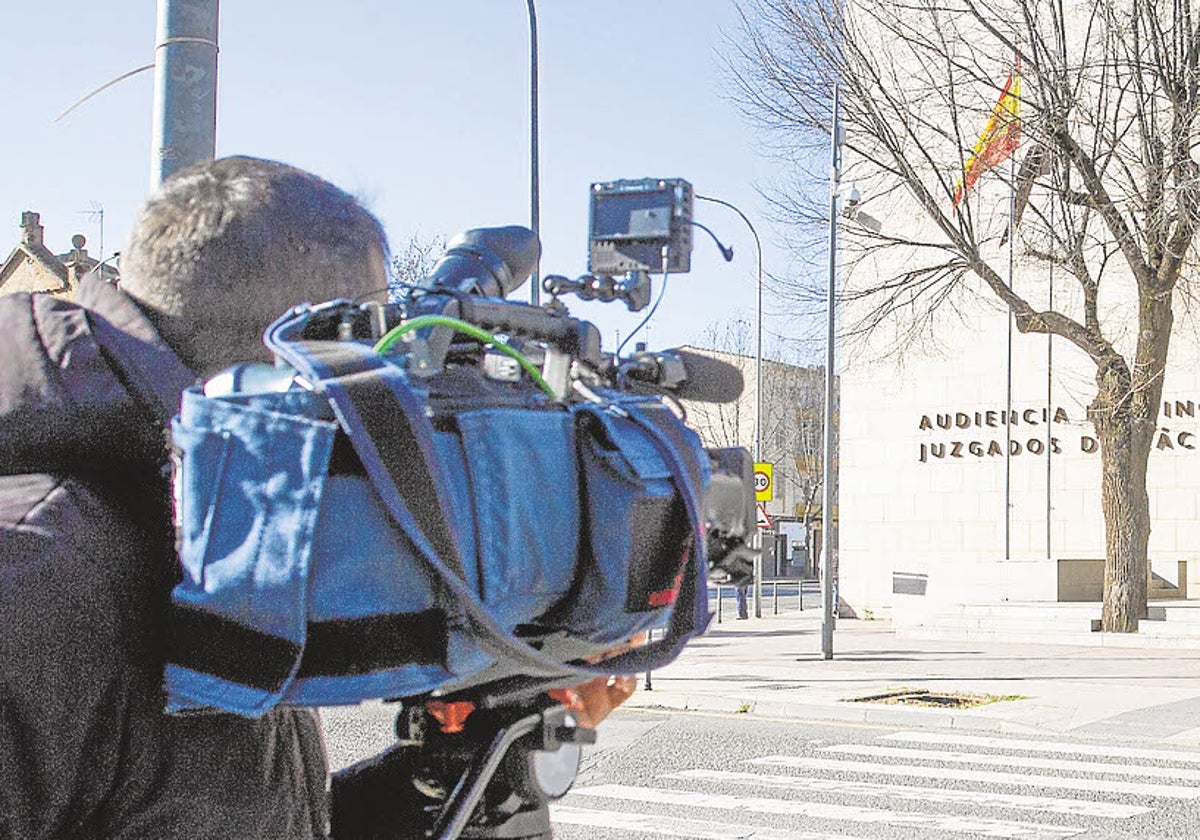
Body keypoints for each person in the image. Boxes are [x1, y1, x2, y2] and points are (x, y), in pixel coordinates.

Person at [0, 155, 389, 839]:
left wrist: (440, 771)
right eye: (375, 342)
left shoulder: (223, 516)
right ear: (309, 349)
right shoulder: (33, 573)